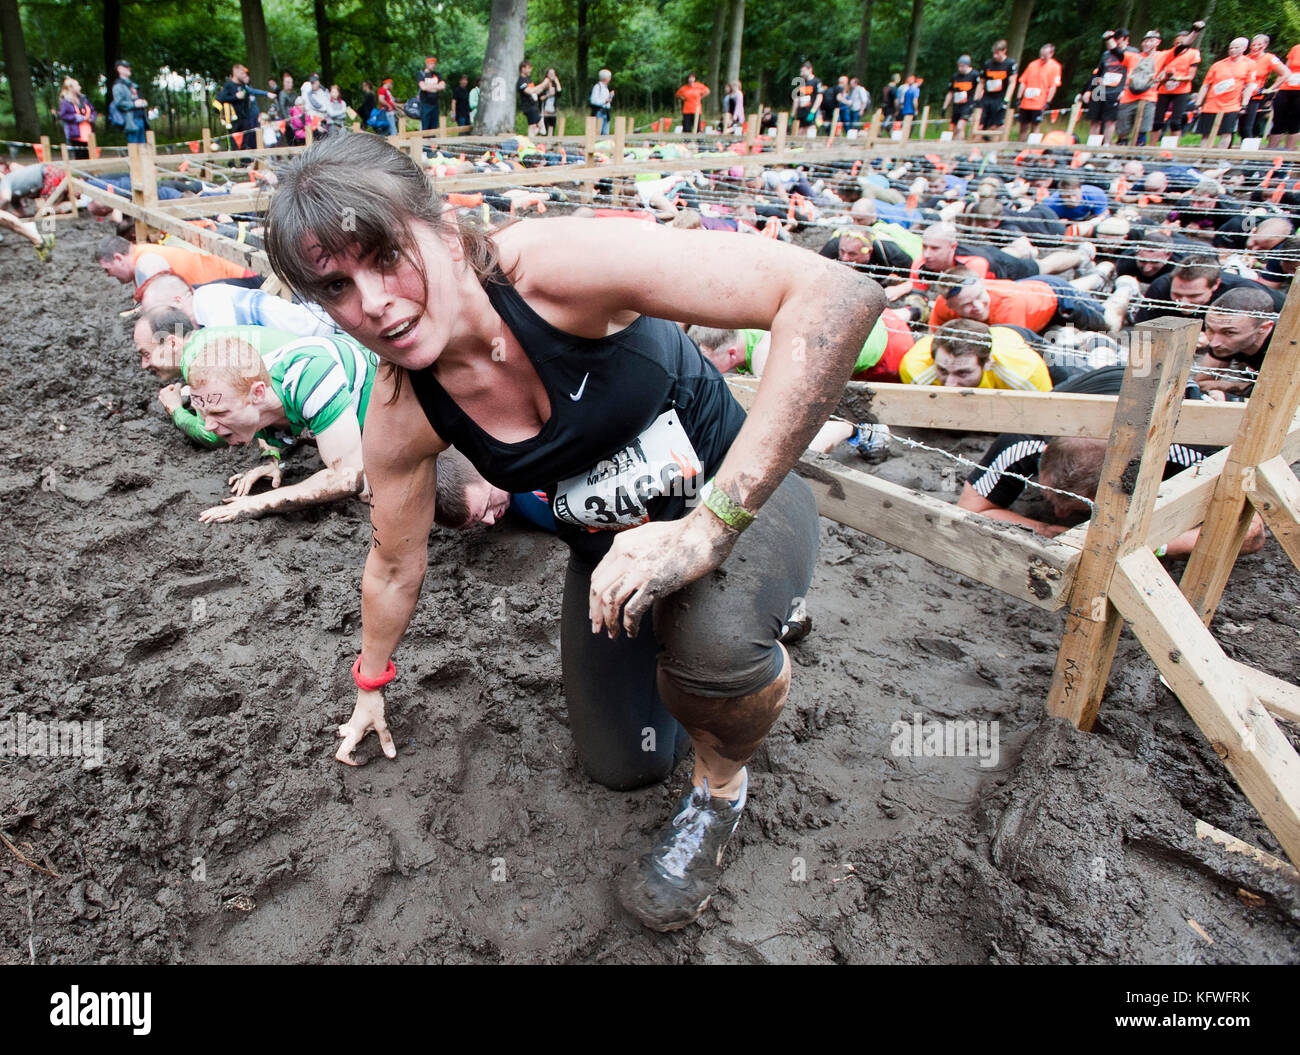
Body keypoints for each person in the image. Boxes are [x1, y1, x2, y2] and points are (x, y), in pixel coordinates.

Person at [260, 133, 884, 932]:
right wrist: (370, 686)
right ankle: (719, 626)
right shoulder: (399, 413)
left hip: (740, 502)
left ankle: (720, 791)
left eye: (386, 257)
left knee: (717, 651)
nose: (374, 302)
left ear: (445, 233)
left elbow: (835, 295)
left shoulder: (554, 268)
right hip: (608, 552)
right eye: (339, 287)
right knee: (622, 765)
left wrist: (708, 529)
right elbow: (392, 561)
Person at [958, 366, 1263, 556]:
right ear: (1042, 458)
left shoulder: (1191, 450)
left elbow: (1250, 534)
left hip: (1167, 389)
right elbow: (972, 509)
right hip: (1097, 382)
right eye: (1051, 495)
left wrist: (1147, 545)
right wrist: (1059, 534)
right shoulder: (1023, 437)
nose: (1060, 512)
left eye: (1074, 504)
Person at [188, 332, 376, 523]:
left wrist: (257, 503)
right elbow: (261, 414)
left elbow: (347, 479)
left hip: (384, 393)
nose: (208, 425)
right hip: (324, 392)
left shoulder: (309, 378)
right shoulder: (246, 384)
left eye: (219, 413)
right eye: (203, 413)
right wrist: (270, 459)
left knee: (368, 491)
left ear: (258, 393)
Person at [133, 306, 301, 452]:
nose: (144, 365)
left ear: (171, 343)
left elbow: (214, 436)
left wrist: (175, 410)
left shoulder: (196, 358)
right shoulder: (206, 338)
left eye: (146, 354)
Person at [137, 269, 337, 336]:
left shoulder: (209, 303)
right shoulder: (204, 306)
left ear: (178, 300)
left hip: (326, 330)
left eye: (163, 313)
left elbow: (229, 359)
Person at [930, 267, 1129, 333]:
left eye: (980, 297)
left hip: (1056, 299)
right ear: (951, 305)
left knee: (1110, 323)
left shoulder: (1008, 305)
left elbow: (1008, 349)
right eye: (966, 304)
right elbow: (936, 337)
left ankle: (1126, 287)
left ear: (983, 286)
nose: (977, 306)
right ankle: (1097, 276)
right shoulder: (942, 303)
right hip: (1030, 290)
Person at [899, 320, 1052, 391]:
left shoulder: (1025, 373)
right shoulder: (914, 369)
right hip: (979, 334)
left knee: (1068, 371)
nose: (950, 384)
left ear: (987, 363)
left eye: (963, 373)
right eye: (943, 371)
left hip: (1012, 337)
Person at [1134, 254, 1285, 323]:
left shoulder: (1245, 293)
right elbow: (1142, 331)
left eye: (1194, 296)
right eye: (1177, 294)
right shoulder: (1161, 287)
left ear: (1215, 285)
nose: (1183, 302)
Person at [1199, 286, 1278, 396]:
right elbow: (1202, 383)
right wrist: (1247, 388)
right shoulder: (1224, 337)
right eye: (1210, 329)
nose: (1214, 343)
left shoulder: (1286, 345)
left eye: (1229, 332)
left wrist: (1231, 391)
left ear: (1263, 328)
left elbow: (1279, 395)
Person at [94, 235, 256, 288]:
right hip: (231, 277)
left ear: (118, 258)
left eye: (107, 269)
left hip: (241, 280)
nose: (108, 275)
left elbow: (165, 307)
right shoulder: (143, 253)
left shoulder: (146, 264)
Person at [1194, 37, 1256, 147]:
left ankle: (1220, 159)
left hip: (1231, 105)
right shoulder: (1218, 65)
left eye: (1236, 48)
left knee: (1226, 132)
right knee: (1206, 133)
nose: (1233, 50)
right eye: (1231, 48)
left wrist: (1244, 104)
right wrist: (1198, 103)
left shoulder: (1249, 64)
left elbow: (1249, 86)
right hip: (1212, 103)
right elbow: (1205, 85)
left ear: (1244, 48)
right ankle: (1201, 157)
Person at [1154, 23, 1204, 136]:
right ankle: (1152, 148)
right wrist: (1165, 78)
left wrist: (1175, 77)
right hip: (1164, 89)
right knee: (1157, 122)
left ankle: (1172, 149)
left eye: (1181, 43)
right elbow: (1158, 75)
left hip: (1181, 90)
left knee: (1175, 122)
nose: (1179, 45)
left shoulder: (1193, 53)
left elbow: (1190, 76)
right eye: (1176, 43)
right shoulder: (1167, 54)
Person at [1116, 31, 1162, 144]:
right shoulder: (1133, 56)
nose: (1147, 44)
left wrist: (1195, 31)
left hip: (1148, 95)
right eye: (1145, 41)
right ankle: (1121, 147)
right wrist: (1109, 39)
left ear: (1158, 42)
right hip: (1129, 94)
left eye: (1151, 40)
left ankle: (1139, 150)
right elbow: (1116, 52)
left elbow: (1182, 47)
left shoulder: (1162, 56)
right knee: (1123, 127)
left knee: (1143, 128)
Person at [1241, 35, 1289, 140]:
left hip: (1255, 95)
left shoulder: (1269, 58)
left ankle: (1248, 153)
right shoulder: (1245, 58)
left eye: (1259, 45)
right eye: (1253, 44)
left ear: (1265, 45)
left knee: (1248, 127)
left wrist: (1270, 89)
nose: (1255, 47)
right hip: (1239, 94)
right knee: (1237, 127)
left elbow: (1285, 73)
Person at [1016, 43, 1061, 139]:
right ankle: (1019, 149)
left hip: (1039, 102)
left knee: (1035, 126)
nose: (1042, 58)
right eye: (1041, 55)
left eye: (1045, 56)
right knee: (1023, 126)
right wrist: (1019, 97)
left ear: (1051, 54)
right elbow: (1023, 81)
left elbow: (1053, 86)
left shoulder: (1055, 67)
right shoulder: (1032, 64)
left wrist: (1048, 101)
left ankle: (1032, 150)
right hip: (1026, 102)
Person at [975, 40, 1017, 133]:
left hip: (1000, 98)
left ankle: (994, 146)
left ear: (1004, 51)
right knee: (980, 125)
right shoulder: (988, 64)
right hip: (987, 97)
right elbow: (981, 82)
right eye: (994, 53)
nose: (995, 56)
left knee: (995, 126)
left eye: (998, 53)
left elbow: (1012, 83)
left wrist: (1006, 100)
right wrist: (976, 99)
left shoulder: (1010, 64)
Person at [216, 64, 260, 150]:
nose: (243, 74)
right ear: (235, 72)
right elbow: (222, 99)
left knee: (245, 142)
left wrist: (248, 116)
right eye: (241, 72)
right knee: (233, 143)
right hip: (232, 118)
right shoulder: (228, 85)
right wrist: (235, 97)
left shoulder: (244, 85)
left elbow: (247, 101)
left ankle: (245, 161)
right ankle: (232, 162)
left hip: (244, 118)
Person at [109, 59, 150, 144]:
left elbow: (138, 99)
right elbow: (119, 103)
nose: (129, 69)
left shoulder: (134, 85)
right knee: (134, 150)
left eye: (129, 67)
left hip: (142, 119)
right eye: (126, 67)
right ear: (119, 69)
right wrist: (134, 104)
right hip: (131, 121)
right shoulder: (117, 85)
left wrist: (143, 102)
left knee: (143, 150)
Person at [58, 78, 96, 160]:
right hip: (76, 134)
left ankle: (91, 173)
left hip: (89, 133)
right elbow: (63, 116)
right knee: (80, 158)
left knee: (91, 157)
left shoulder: (84, 99)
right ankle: (82, 173)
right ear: (70, 88)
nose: (80, 87)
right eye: (77, 85)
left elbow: (93, 110)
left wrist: (91, 118)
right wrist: (80, 118)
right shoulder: (65, 102)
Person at [945, 56, 979, 137]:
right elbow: (950, 92)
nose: (960, 68)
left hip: (968, 104)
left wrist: (976, 103)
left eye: (962, 66)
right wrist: (945, 107)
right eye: (959, 66)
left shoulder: (974, 75)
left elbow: (981, 88)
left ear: (968, 65)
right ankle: (956, 146)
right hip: (957, 105)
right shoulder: (955, 77)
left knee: (960, 126)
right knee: (955, 129)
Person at [517, 61, 545, 137]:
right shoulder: (521, 81)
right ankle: (529, 140)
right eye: (528, 68)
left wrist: (544, 86)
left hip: (534, 106)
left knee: (538, 126)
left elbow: (536, 91)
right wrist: (544, 83)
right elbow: (530, 91)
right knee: (534, 126)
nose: (530, 70)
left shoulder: (529, 80)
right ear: (523, 69)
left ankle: (530, 139)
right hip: (529, 107)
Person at [416, 56, 444, 130]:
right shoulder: (422, 74)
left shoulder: (437, 75)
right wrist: (436, 87)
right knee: (425, 128)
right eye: (431, 63)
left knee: (434, 128)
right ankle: (425, 141)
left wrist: (429, 87)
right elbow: (423, 87)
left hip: (435, 105)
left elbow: (442, 86)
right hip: (425, 105)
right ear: (427, 64)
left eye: (434, 63)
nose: (433, 65)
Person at [794, 62, 823, 133]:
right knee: (799, 133)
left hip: (810, 112)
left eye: (803, 71)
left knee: (810, 132)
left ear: (810, 70)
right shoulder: (801, 83)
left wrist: (813, 111)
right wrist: (793, 114)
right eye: (801, 72)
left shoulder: (816, 82)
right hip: (800, 113)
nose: (801, 74)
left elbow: (819, 97)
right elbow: (796, 99)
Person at [589, 69, 614, 134]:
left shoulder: (605, 88)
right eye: (609, 77)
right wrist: (605, 101)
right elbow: (593, 101)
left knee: (605, 133)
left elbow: (606, 101)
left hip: (606, 112)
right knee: (598, 133)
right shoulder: (597, 87)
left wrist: (610, 96)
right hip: (599, 112)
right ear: (606, 78)